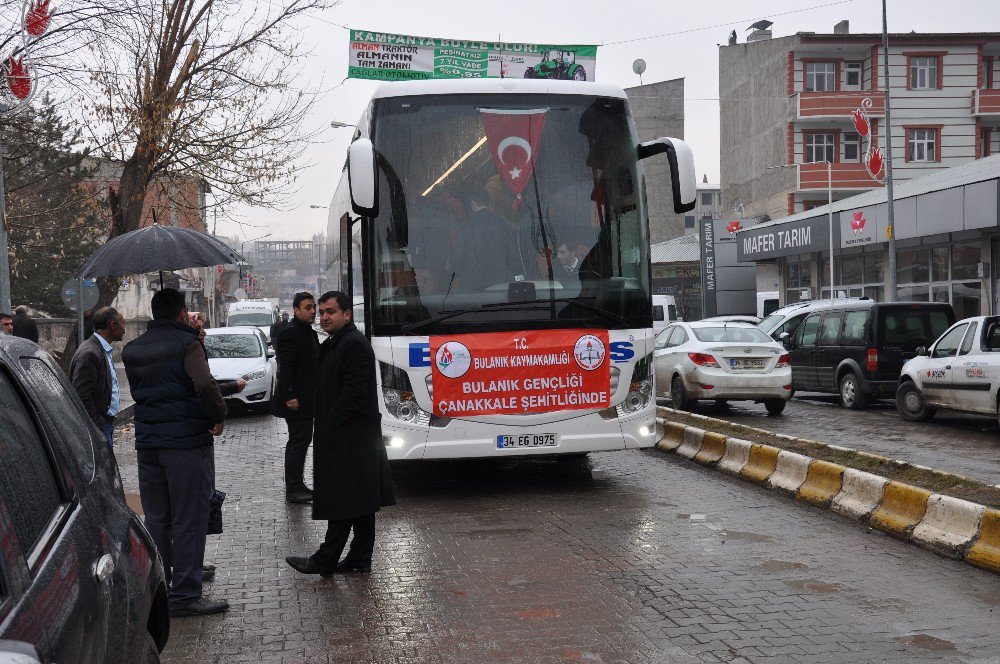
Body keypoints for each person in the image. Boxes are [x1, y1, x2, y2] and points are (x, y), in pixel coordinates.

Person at [122, 288, 229, 617]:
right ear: (182, 312)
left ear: (154, 314)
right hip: (185, 444)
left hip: (149, 444)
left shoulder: (132, 349)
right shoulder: (187, 345)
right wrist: (217, 415)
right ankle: (185, 595)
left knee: (158, 518)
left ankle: (163, 585)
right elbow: (205, 385)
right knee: (189, 519)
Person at [286, 291, 395, 576]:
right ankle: (360, 557)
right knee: (359, 501)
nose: (323, 317)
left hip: (351, 438)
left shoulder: (353, 344)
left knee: (343, 499)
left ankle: (325, 559)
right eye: (321, 312)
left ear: (347, 314)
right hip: (349, 436)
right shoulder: (339, 342)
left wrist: (333, 422)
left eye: (330, 312)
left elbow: (354, 393)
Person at [271, 292, 319, 503]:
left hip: (307, 398)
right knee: (298, 442)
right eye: (308, 308)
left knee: (302, 440)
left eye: (313, 307)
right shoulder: (290, 334)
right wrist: (290, 396)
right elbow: (286, 368)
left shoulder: (310, 333)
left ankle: (297, 485)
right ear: (296, 311)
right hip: (297, 401)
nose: (312, 311)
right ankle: (294, 488)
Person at [69, 307, 125, 447]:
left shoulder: (100, 349)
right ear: (113, 325)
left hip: (104, 422)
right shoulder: (91, 353)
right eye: (123, 323)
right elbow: (82, 395)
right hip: (99, 425)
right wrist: (98, 424)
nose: (124, 329)